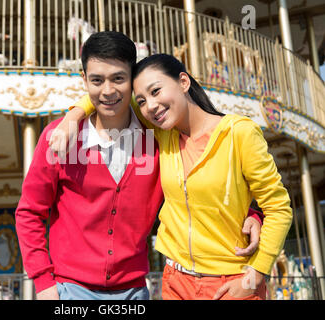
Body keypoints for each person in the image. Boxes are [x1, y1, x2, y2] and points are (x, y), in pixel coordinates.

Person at [16, 31, 263, 301]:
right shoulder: (59, 139)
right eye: (97, 80)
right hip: (68, 290)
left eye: (119, 79)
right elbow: (29, 212)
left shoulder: (160, 136)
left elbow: (198, 185)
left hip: (134, 292)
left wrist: (251, 213)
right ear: (84, 80)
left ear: (132, 80)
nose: (108, 91)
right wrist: (43, 283)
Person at [56, 51, 292, 300]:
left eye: (156, 91)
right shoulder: (163, 135)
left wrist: (255, 275)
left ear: (183, 82)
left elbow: (279, 208)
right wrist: (74, 115)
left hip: (229, 283)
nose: (151, 107)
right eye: (143, 101)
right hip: (175, 284)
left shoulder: (239, 133)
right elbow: (111, 96)